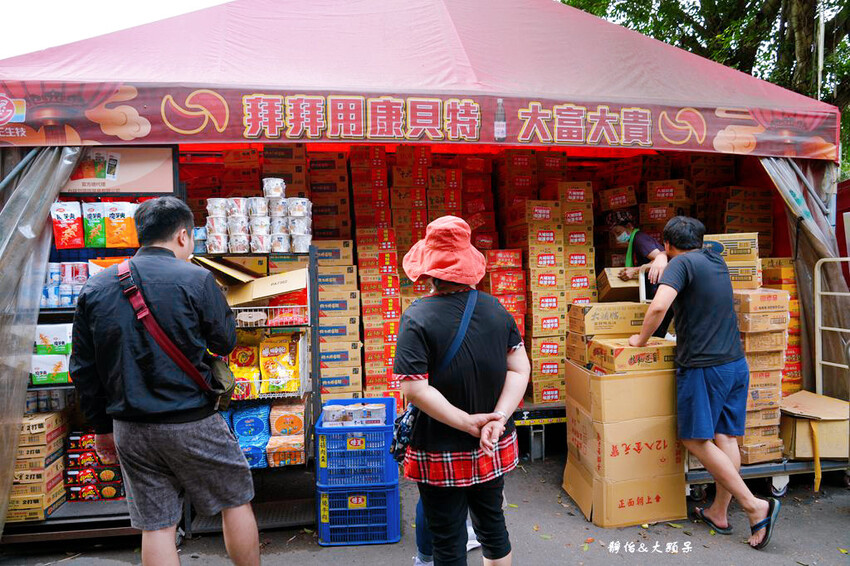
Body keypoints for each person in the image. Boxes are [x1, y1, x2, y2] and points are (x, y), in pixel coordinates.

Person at [70, 197, 259, 566]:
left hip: (130, 428)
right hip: (191, 421)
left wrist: (100, 427)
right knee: (234, 499)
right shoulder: (197, 278)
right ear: (184, 236)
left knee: (156, 524)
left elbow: (83, 368)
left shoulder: (96, 286)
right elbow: (224, 341)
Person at [628, 216, 780, 551]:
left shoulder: (680, 267)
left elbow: (659, 307)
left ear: (668, 244)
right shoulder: (715, 258)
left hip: (703, 366)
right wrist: (666, 257)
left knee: (695, 440)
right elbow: (688, 262)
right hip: (734, 364)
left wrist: (640, 340)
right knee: (725, 436)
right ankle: (719, 512)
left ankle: (755, 505)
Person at [395, 215, 531, 566]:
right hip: (492, 441)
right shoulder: (496, 309)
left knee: (448, 540)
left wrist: (467, 422)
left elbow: (414, 389)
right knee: (493, 529)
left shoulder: (417, 317)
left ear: (429, 271)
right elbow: (519, 368)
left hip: (440, 446)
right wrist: (497, 419)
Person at [607, 210, 672, 338]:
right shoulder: (636, 239)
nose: (617, 237)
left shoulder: (639, 239)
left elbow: (660, 259)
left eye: (618, 232)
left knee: (656, 334)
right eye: (614, 234)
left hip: (659, 289)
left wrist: (635, 270)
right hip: (655, 289)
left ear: (629, 226)